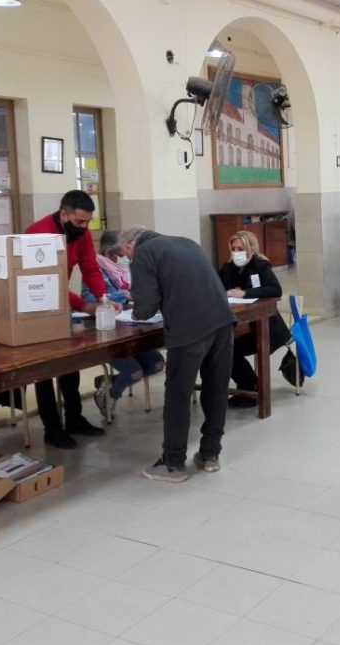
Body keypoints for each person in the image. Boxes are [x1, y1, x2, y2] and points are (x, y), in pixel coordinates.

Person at [120, 225, 236, 482]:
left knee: (178, 395)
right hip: (223, 322)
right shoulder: (186, 241)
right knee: (216, 389)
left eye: (126, 255)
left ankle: (172, 463)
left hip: (189, 330)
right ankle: (210, 455)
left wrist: (134, 306)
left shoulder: (143, 254)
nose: (128, 258)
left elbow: (145, 309)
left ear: (129, 247)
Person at [26, 190, 114, 449]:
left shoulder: (82, 234)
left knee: (69, 364)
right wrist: (82, 304)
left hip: (61, 304)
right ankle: (52, 428)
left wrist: (104, 298)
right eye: (79, 222)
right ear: (63, 214)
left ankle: (74, 419)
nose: (84, 227)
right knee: (45, 369)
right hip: (36, 304)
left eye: (88, 221)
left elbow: (90, 268)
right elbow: (44, 282)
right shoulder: (37, 233)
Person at [81, 230, 164, 418]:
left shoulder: (124, 270)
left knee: (157, 364)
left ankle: (109, 381)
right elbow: (88, 298)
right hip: (107, 330)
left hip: (131, 327)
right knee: (134, 372)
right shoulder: (95, 268)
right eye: (120, 255)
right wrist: (122, 295)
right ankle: (109, 394)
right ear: (110, 253)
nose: (124, 258)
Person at [218, 230, 292, 409]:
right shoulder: (227, 269)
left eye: (241, 248)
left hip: (266, 328)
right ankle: (248, 384)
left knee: (230, 349)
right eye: (234, 248)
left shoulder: (260, 266)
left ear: (251, 249)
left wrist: (245, 294)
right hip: (241, 326)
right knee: (221, 348)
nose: (237, 252)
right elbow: (215, 286)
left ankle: (251, 387)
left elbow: (275, 290)